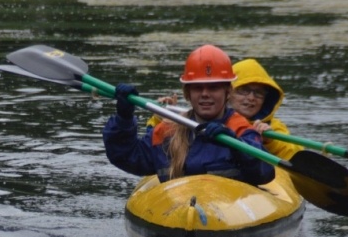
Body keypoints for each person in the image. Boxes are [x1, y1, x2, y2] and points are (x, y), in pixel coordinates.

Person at [102, 45, 274, 185]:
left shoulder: (241, 131)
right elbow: (126, 157)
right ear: (187, 93)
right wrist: (123, 118)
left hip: (226, 214)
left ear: (227, 92)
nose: (205, 94)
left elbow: (265, 173)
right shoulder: (167, 132)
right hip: (178, 213)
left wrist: (237, 147)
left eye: (213, 87)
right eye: (198, 87)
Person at [229, 58, 303, 160]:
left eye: (258, 93)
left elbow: (296, 156)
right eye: (244, 90)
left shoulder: (273, 126)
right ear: (228, 92)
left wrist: (270, 141)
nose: (251, 98)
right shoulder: (212, 118)